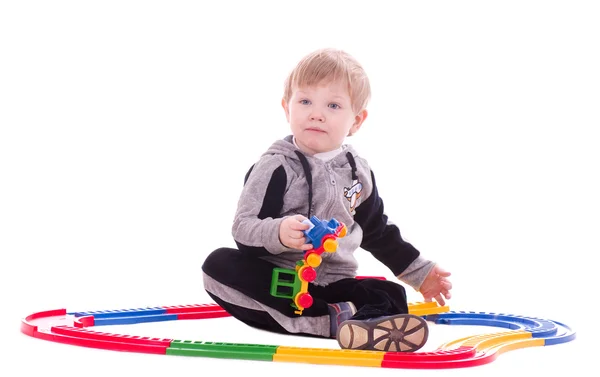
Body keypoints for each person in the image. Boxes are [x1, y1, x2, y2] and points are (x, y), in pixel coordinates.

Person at [201, 48, 452, 352]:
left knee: (388, 292)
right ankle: (326, 322)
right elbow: (244, 228)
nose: (316, 113)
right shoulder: (276, 166)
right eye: (305, 101)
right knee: (218, 265)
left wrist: (420, 273)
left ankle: (365, 323)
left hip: (334, 284)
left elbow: (377, 231)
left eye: (333, 105)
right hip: (280, 280)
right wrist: (280, 232)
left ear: (356, 121)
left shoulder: (357, 171)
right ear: (287, 108)